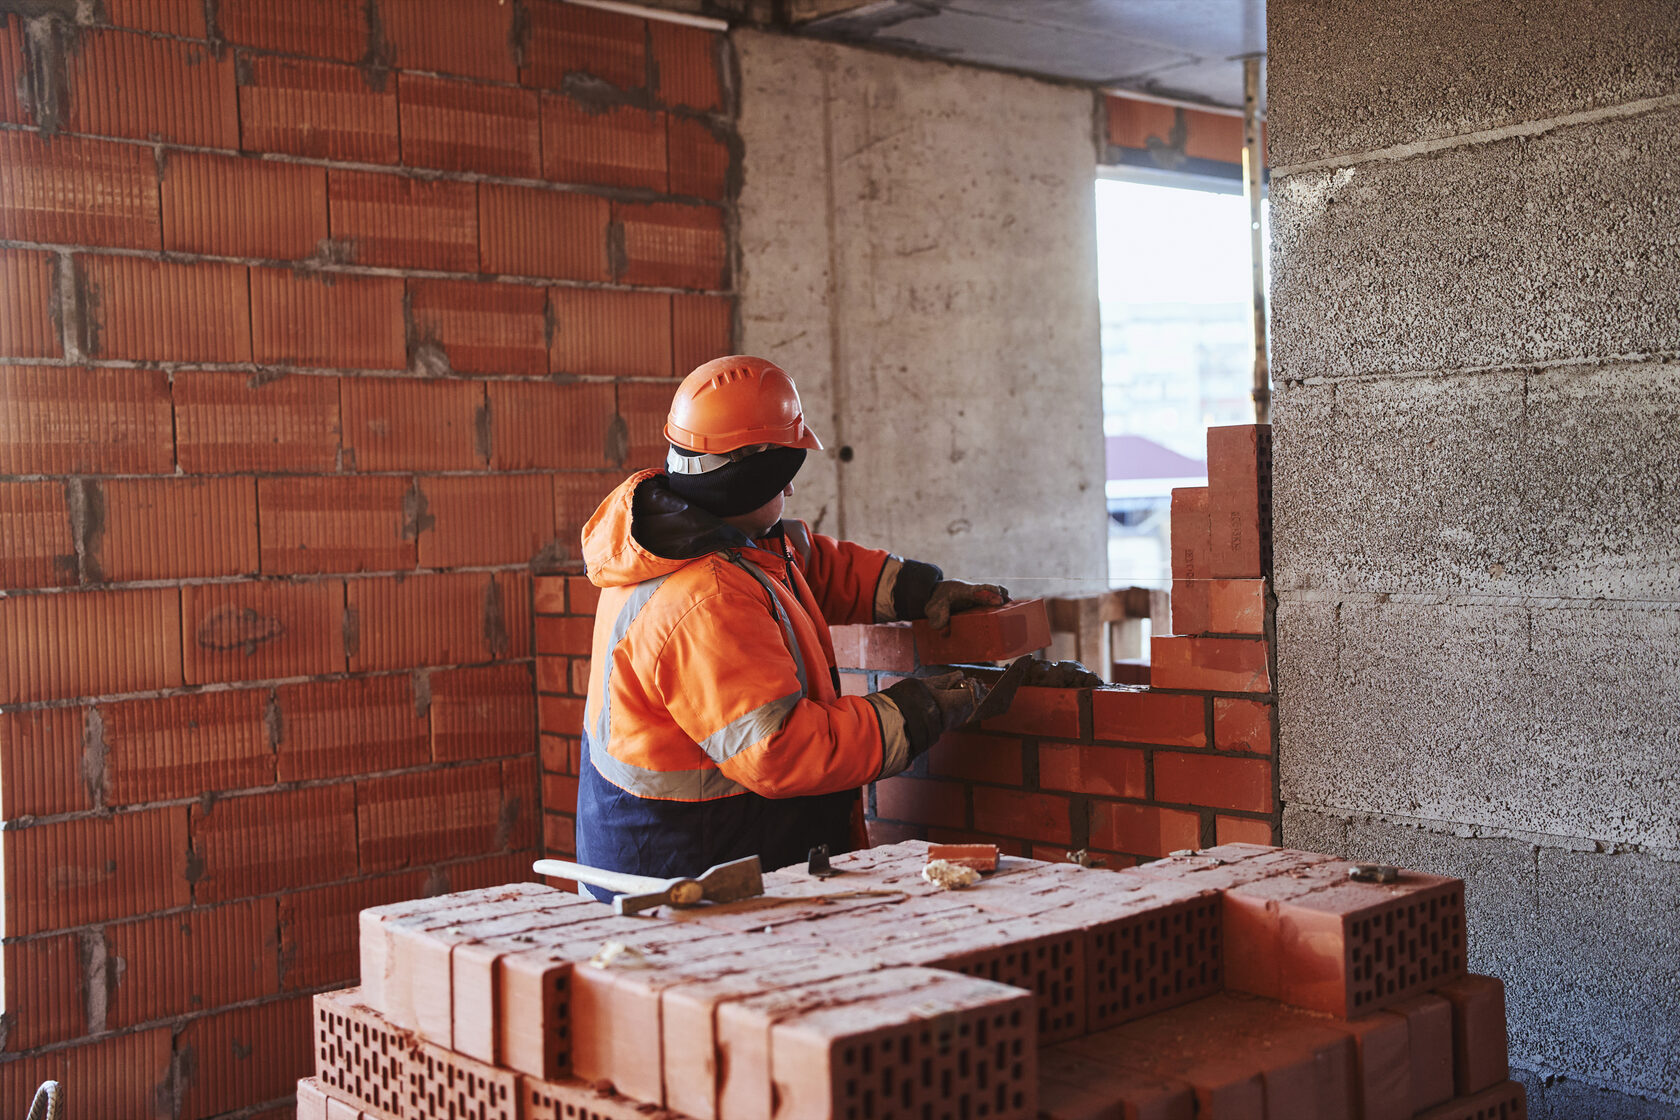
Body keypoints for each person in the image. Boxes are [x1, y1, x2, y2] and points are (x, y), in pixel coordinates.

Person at [574, 355, 1007, 887]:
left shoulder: (709, 535)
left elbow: (811, 566)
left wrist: (922, 590)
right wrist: (917, 710)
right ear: (750, 474)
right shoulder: (704, 597)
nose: (792, 491)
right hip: (687, 881)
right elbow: (778, 751)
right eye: (784, 476)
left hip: (722, 851)